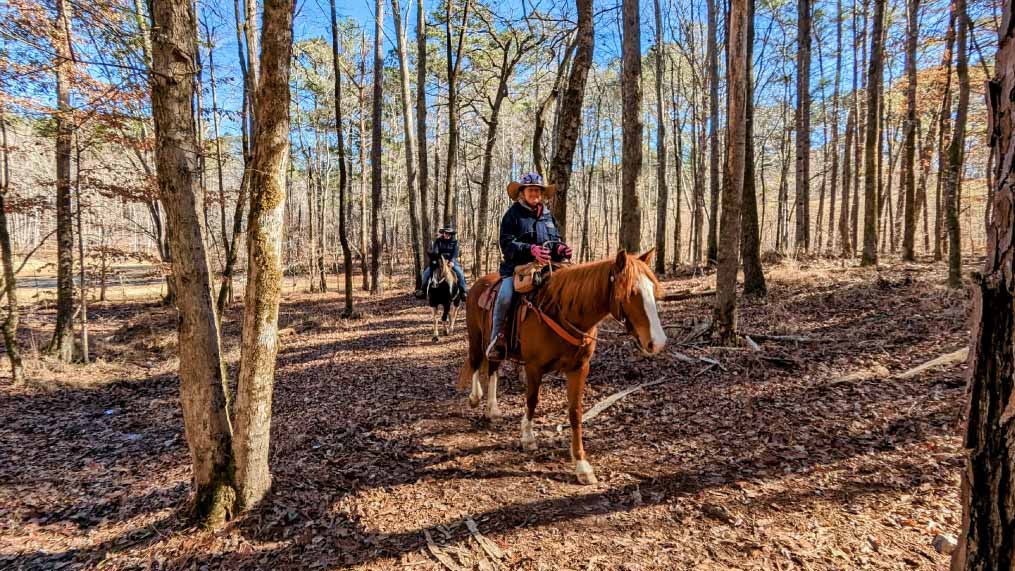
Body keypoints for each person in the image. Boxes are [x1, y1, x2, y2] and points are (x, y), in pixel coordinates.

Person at [486, 172, 573, 359]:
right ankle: (497, 340)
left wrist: (561, 249)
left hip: (548, 266)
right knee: (505, 298)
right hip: (517, 269)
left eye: (538, 190)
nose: (535, 193)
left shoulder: (548, 216)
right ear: (522, 192)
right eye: (531, 190)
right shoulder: (512, 215)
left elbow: (554, 241)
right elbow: (507, 244)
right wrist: (530, 250)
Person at [416, 224, 468, 299]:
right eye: (446, 233)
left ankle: (463, 292)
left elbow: (455, 253)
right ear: (443, 233)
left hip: (451, 262)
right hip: (440, 261)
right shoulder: (438, 241)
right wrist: (438, 258)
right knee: (426, 273)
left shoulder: (455, 242)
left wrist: (452, 261)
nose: (448, 235)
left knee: (460, 273)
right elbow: (436, 251)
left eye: (449, 233)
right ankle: (423, 290)